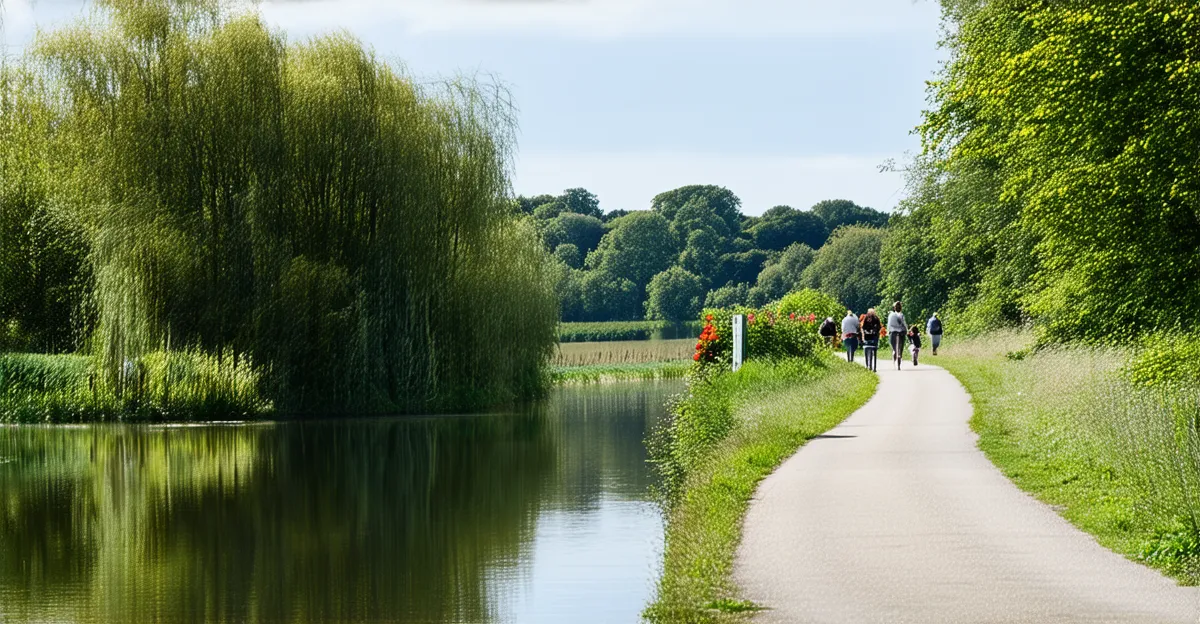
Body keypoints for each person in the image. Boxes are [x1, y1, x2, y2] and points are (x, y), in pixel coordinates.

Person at [887, 301, 908, 370]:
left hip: (893, 332)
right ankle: (899, 356)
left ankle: (894, 356)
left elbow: (889, 325)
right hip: (901, 333)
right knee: (900, 348)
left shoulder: (891, 315)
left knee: (894, 348)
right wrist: (906, 330)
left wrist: (888, 331)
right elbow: (904, 324)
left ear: (894, 308)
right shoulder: (901, 315)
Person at [861, 308, 881, 372]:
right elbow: (863, 327)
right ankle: (868, 364)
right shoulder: (866, 318)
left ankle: (870, 365)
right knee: (868, 348)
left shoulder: (876, 318)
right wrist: (866, 331)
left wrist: (874, 331)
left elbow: (879, 327)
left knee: (873, 348)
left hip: (874, 336)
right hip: (868, 336)